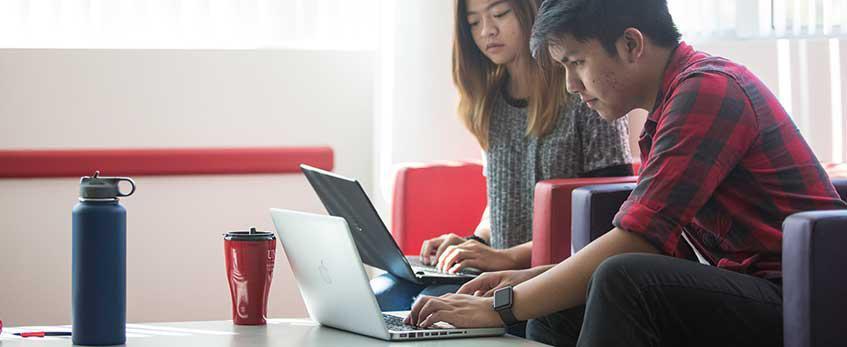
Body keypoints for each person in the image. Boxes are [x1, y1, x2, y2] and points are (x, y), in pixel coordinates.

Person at [404, 0, 847, 346]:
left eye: (576, 62)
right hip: (751, 287)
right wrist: (530, 278)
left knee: (620, 279)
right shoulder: (670, 105)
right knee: (566, 297)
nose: (571, 85)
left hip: (804, 298)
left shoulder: (708, 91)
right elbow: (667, 249)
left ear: (631, 44)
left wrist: (502, 307)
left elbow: (640, 238)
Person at [371, 0, 633, 313]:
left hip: (549, 278)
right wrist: (474, 244)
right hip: (497, 270)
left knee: (422, 302)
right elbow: (500, 202)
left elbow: (602, 226)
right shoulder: (488, 102)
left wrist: (508, 257)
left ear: (531, 11)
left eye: (499, 14)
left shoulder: (586, 96)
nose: (487, 31)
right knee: (381, 291)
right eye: (473, 22)